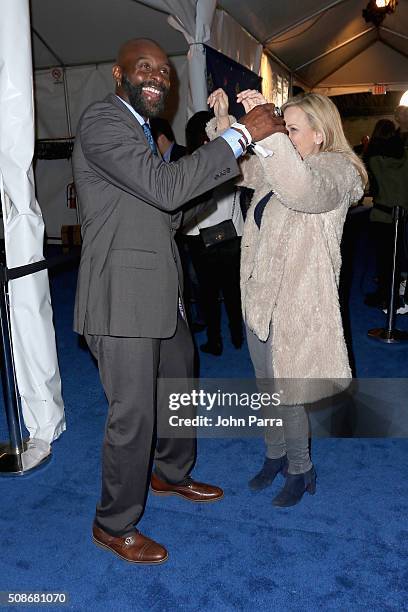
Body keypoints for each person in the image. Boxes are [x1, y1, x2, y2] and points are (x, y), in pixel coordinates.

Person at [73, 38, 285, 564]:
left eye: (165, 72)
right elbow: (163, 189)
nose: (158, 77)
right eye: (144, 68)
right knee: (134, 414)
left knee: (180, 384)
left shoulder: (142, 132)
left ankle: (171, 475)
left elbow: (166, 213)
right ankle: (112, 523)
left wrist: (209, 188)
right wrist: (239, 135)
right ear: (119, 74)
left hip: (159, 292)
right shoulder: (103, 121)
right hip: (120, 299)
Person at [208, 88, 366, 506]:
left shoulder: (337, 172)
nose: (283, 135)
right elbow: (239, 171)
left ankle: (301, 469)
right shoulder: (282, 166)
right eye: (283, 127)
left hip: (298, 303)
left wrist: (267, 123)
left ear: (320, 133)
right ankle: (274, 455)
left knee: (288, 393)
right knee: (265, 388)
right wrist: (226, 121)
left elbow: (300, 189)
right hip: (260, 299)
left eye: (291, 128)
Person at [182, 111, 244, 356]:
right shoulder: (229, 156)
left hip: (202, 238)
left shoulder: (193, 162)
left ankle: (215, 340)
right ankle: (238, 335)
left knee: (208, 295)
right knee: (233, 290)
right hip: (233, 233)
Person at [363, 119, 408, 312]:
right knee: (397, 258)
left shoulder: (374, 160)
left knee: (384, 258)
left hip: (382, 215)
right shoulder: (406, 156)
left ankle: (384, 294)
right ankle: (395, 293)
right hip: (403, 214)